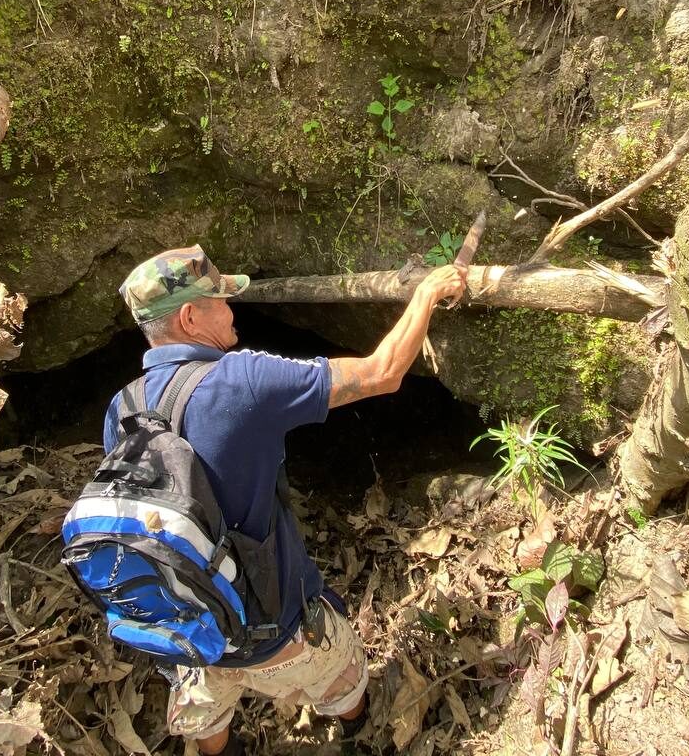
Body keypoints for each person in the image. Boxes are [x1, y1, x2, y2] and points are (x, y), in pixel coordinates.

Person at [109, 245, 468, 755]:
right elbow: (381, 373)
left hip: (182, 624)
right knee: (344, 677)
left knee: (206, 710)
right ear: (190, 316)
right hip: (273, 630)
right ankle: (356, 732)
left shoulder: (122, 407)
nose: (232, 310)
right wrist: (428, 292)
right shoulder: (242, 378)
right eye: (221, 300)